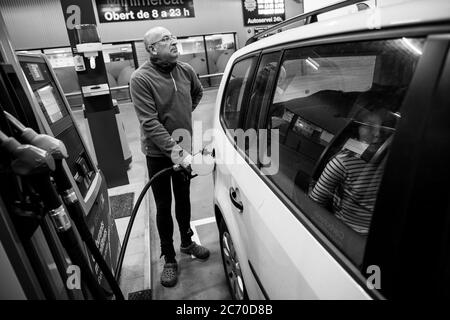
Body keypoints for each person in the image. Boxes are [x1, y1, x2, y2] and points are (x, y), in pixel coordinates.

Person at [130, 26, 209, 288]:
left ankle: (186, 242)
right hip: (158, 155)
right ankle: (169, 258)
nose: (173, 41)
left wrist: (184, 121)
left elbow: (197, 93)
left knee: (184, 199)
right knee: (163, 205)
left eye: (173, 36)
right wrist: (175, 151)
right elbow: (149, 122)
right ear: (152, 49)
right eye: (165, 39)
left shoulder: (185, 70)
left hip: (183, 148)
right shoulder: (140, 79)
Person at [309, 92, 392, 235]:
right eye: (370, 126)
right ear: (356, 129)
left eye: (382, 127)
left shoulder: (384, 164)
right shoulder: (343, 163)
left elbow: (314, 204)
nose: (378, 133)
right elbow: (315, 204)